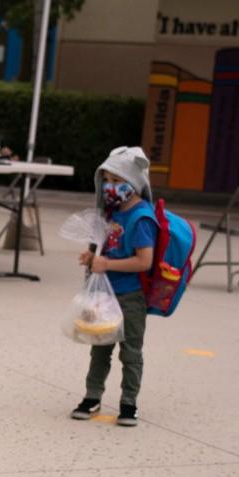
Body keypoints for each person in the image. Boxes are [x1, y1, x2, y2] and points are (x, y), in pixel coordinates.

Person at [72, 146, 157, 428]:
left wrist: (106, 264)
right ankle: (92, 396)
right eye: (106, 180)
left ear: (134, 182)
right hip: (103, 295)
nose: (110, 187)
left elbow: (144, 261)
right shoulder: (110, 213)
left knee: (130, 351)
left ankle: (129, 403)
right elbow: (105, 249)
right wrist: (92, 258)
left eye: (118, 181)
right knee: (99, 348)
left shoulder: (141, 218)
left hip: (130, 296)